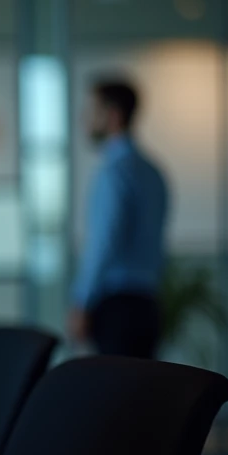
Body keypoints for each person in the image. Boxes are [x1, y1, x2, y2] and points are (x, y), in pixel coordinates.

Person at [68, 79, 168, 358]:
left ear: (113, 116)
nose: (85, 119)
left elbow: (103, 244)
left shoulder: (113, 173)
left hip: (116, 309)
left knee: (117, 398)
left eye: (92, 111)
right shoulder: (153, 172)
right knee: (144, 395)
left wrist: (81, 302)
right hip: (148, 305)